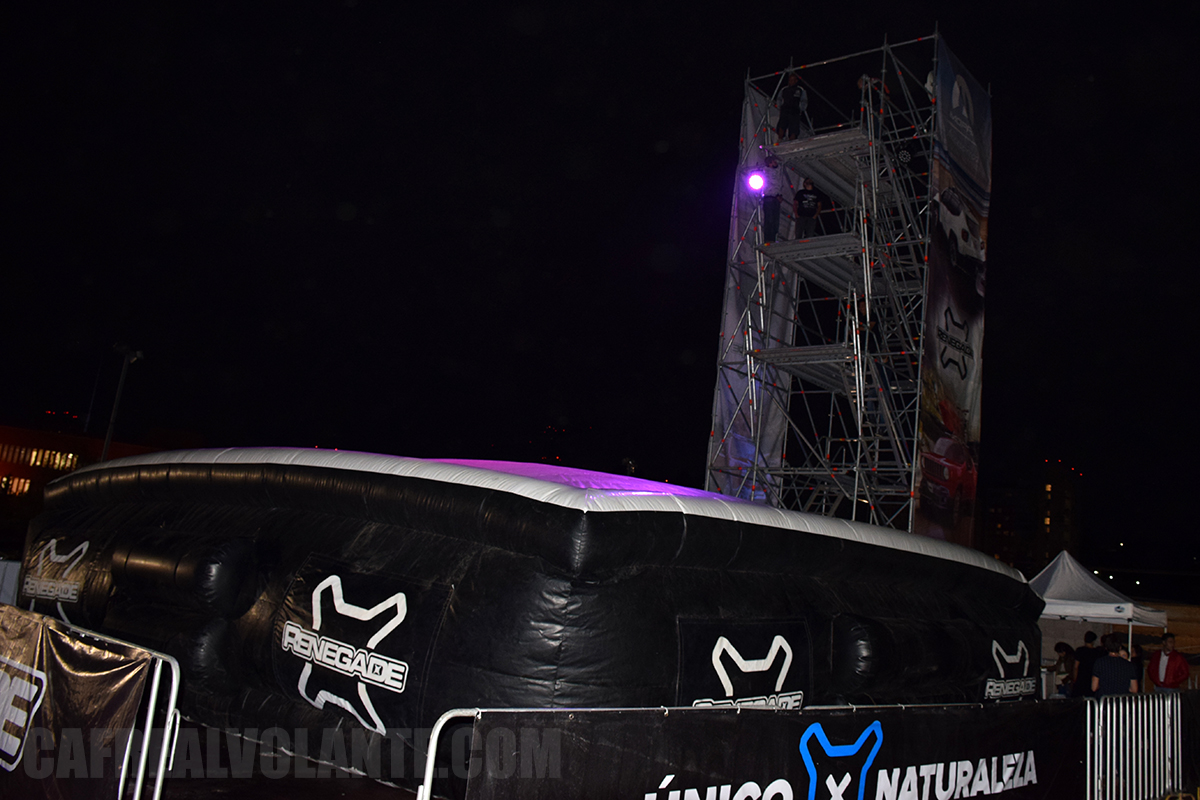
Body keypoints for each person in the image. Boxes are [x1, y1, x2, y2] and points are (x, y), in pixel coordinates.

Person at [759, 154, 788, 244]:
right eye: (773, 162)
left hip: (775, 198)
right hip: (769, 198)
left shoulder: (778, 171)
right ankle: (768, 239)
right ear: (770, 164)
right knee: (769, 219)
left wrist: (779, 195)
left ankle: (773, 238)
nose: (776, 163)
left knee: (775, 220)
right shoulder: (766, 172)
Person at [776, 73, 808, 141]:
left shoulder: (800, 89)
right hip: (785, 110)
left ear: (796, 81)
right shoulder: (784, 89)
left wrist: (801, 108)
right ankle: (780, 140)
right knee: (781, 126)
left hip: (795, 111)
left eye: (793, 80)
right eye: (790, 80)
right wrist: (780, 107)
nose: (791, 81)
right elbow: (779, 99)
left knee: (794, 129)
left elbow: (804, 100)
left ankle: (791, 142)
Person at [1071, 631, 1100, 697]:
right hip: (1091, 679)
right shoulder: (1096, 652)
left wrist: (1075, 679)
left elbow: (1076, 667)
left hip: (1080, 678)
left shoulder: (1080, 650)